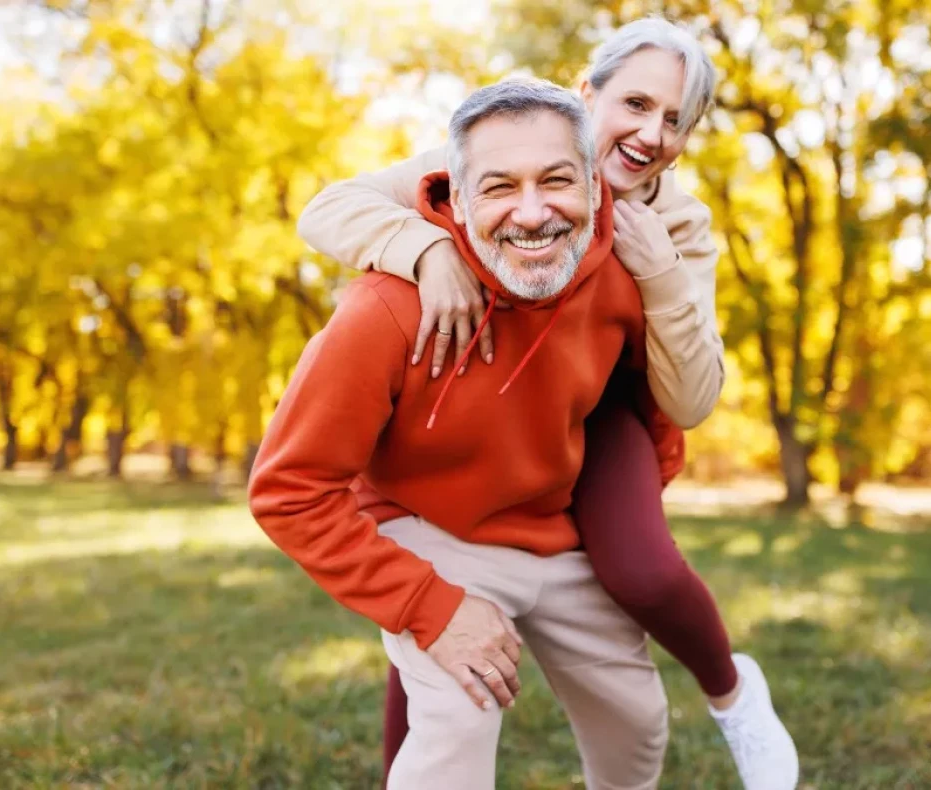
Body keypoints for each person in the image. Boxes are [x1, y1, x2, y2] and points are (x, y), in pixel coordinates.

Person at [296, 17, 797, 790]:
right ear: (586, 93)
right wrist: (427, 251)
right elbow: (329, 210)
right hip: (484, 397)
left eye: (675, 121)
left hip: (604, 407)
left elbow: (695, 393)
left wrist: (659, 273)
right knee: (440, 599)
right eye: (635, 103)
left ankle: (733, 694)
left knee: (642, 570)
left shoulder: (680, 224)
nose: (650, 132)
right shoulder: (509, 155)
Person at [251, 78, 678, 789]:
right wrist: (430, 605)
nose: (534, 212)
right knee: (461, 714)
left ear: (597, 189)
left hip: (555, 535)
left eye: (558, 180)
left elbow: (644, 404)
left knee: (637, 719)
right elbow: (288, 491)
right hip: (427, 529)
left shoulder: (617, 285)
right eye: (500, 187)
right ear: (458, 194)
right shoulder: (385, 308)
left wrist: (631, 511)